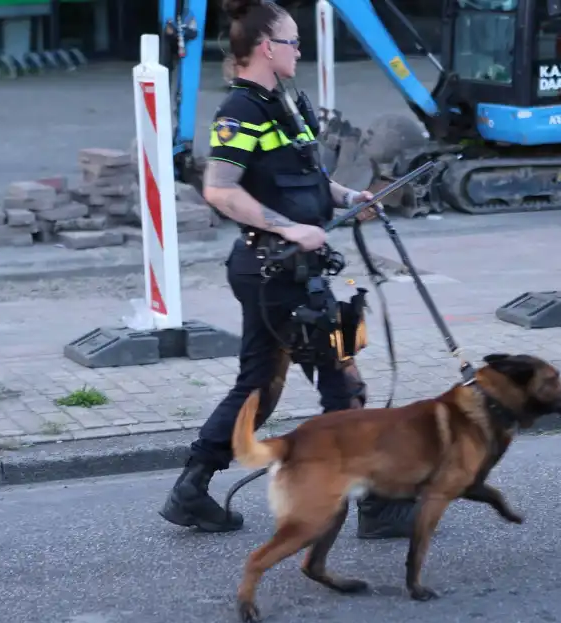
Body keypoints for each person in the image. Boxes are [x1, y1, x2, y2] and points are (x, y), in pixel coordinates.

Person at [158, 0, 417, 539]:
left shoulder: (290, 101)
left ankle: (192, 487)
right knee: (343, 384)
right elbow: (220, 190)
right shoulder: (239, 112)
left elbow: (309, 176)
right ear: (265, 48)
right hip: (272, 268)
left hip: (292, 269)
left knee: (259, 384)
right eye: (293, 42)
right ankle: (377, 505)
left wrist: (351, 196)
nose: (299, 51)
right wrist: (288, 228)